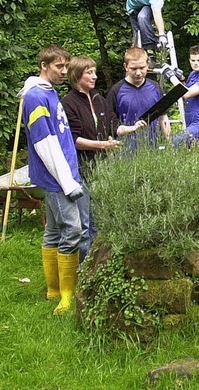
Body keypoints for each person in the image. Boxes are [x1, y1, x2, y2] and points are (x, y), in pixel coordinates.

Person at [19, 45, 84, 314]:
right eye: (60, 67)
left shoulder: (49, 92)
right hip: (57, 178)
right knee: (73, 229)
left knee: (54, 231)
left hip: (61, 174)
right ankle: (67, 297)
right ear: (44, 66)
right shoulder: (35, 97)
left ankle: (53, 289)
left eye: (66, 67)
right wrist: (67, 181)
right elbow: (44, 143)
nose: (64, 72)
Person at [61, 56, 146, 262]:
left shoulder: (98, 98)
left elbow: (113, 126)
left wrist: (132, 128)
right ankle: (82, 270)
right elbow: (73, 140)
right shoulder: (67, 103)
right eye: (89, 72)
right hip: (81, 168)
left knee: (100, 219)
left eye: (94, 72)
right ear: (76, 75)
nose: (95, 76)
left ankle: (97, 268)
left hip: (103, 167)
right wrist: (103, 145)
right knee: (84, 224)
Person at [106, 47, 171, 149]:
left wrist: (169, 143)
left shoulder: (156, 87)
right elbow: (109, 123)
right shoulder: (116, 91)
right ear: (126, 67)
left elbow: (163, 117)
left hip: (152, 149)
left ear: (148, 65)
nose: (138, 73)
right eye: (134, 69)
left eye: (142, 68)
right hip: (125, 151)